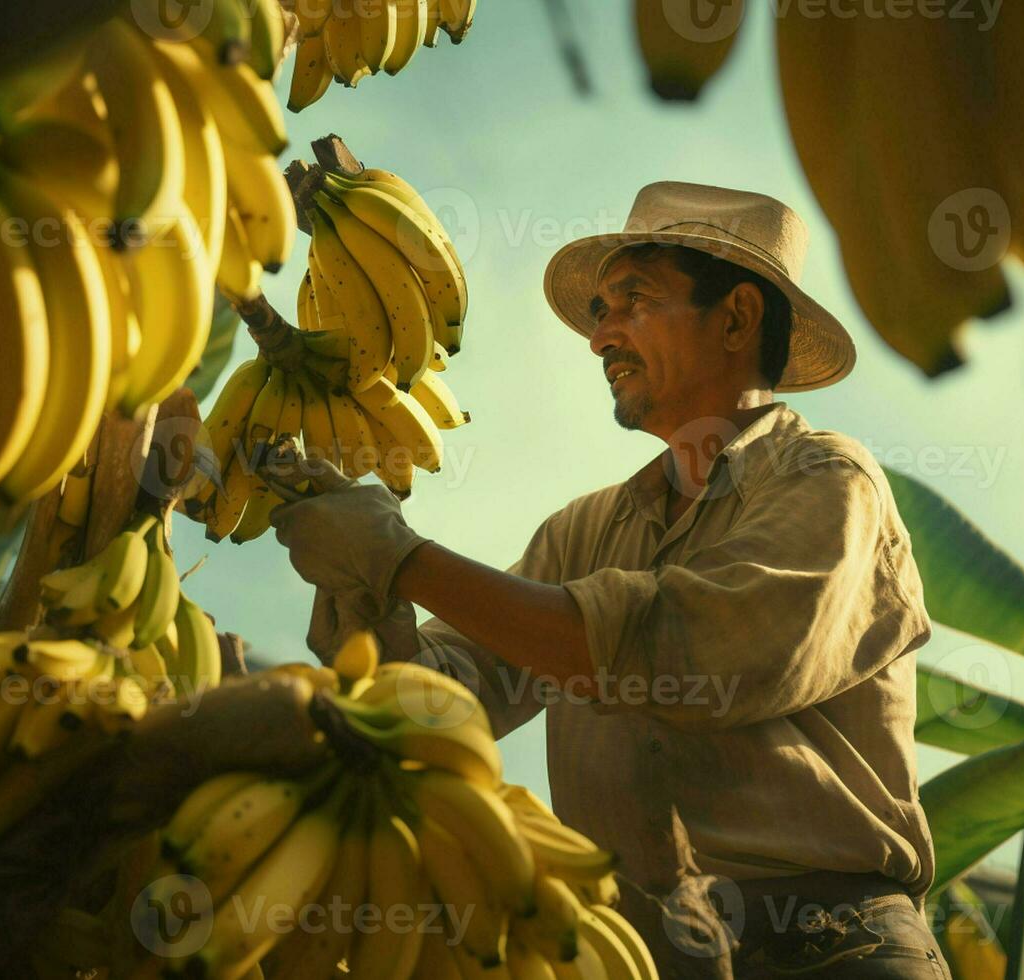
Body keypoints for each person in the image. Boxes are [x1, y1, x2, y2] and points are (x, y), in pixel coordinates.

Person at [270, 182, 953, 979]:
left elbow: (684, 657)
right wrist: (364, 587)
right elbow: (444, 696)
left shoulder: (828, 481)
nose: (601, 338)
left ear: (736, 318)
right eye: (600, 311)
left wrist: (403, 558)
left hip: (828, 949)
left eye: (634, 300)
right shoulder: (585, 533)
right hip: (639, 957)